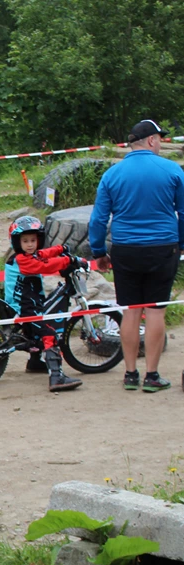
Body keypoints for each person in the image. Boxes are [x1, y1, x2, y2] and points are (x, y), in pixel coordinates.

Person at [89, 118, 184, 392]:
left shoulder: (112, 174)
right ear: (152, 140)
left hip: (125, 249)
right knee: (155, 311)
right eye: (161, 140)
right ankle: (152, 375)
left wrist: (99, 252)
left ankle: (130, 373)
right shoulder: (173, 170)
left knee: (130, 311)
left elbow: (98, 219)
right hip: (162, 248)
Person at [4, 215, 84, 392]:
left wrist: (60, 249)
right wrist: (69, 260)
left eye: (33, 240)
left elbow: (43, 254)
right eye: (25, 241)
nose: (30, 244)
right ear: (17, 243)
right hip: (25, 308)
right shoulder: (23, 260)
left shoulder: (29, 255)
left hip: (28, 305)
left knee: (36, 334)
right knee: (49, 333)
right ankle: (56, 377)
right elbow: (45, 266)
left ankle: (35, 362)